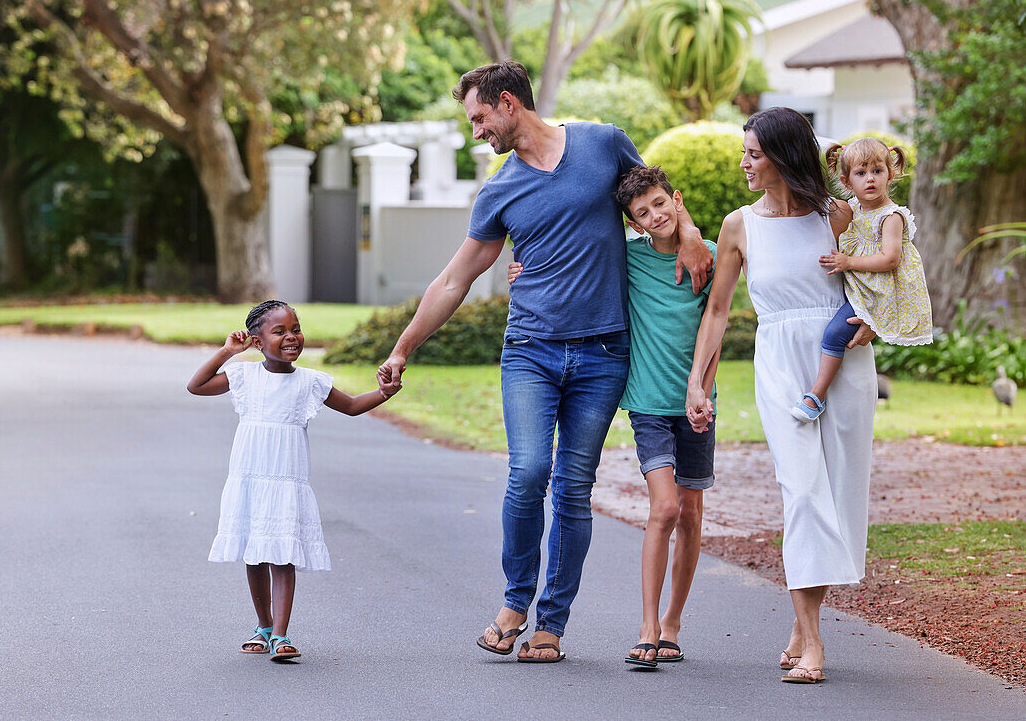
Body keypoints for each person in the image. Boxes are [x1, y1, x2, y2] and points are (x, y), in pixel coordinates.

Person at [375, 61, 713, 663]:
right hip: (530, 351)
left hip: (605, 354)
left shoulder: (602, 143)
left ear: (509, 103)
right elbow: (455, 279)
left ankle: (550, 625)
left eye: (479, 117)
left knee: (573, 489)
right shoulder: (499, 189)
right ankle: (514, 602)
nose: (476, 131)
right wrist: (404, 347)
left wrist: (687, 231)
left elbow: (650, 199)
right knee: (529, 473)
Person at [685, 107, 877, 684]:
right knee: (801, 490)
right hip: (778, 361)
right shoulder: (739, 224)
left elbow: (882, 280)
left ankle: (802, 621)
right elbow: (717, 310)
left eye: (753, 153)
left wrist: (870, 318)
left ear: (785, 155)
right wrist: (699, 381)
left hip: (841, 362)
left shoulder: (837, 216)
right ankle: (814, 639)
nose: (743, 163)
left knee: (839, 493)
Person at [508, 165, 719, 667]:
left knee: (690, 514)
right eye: (641, 214)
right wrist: (526, 271)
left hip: (698, 404)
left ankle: (672, 624)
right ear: (633, 223)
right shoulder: (627, 257)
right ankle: (647, 624)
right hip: (648, 402)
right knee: (665, 508)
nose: (655, 216)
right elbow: (574, 265)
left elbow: (717, 322)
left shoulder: (706, 256)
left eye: (661, 205)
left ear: (677, 199)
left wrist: (702, 392)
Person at [187, 300, 401, 662]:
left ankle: (282, 635)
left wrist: (385, 393)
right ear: (257, 341)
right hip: (251, 479)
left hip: (286, 481)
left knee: (283, 553)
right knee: (254, 554)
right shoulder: (243, 376)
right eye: (280, 331)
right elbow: (197, 385)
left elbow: (349, 406)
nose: (292, 337)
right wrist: (226, 351)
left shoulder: (310, 382)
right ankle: (264, 626)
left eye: (296, 329)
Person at [792, 137, 932, 422]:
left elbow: (890, 259)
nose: (870, 179)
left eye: (877, 172)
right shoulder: (852, 209)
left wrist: (849, 262)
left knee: (834, 333)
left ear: (890, 175)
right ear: (846, 180)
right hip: (861, 287)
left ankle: (816, 395)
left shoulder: (890, 216)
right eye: (861, 173)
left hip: (878, 293)